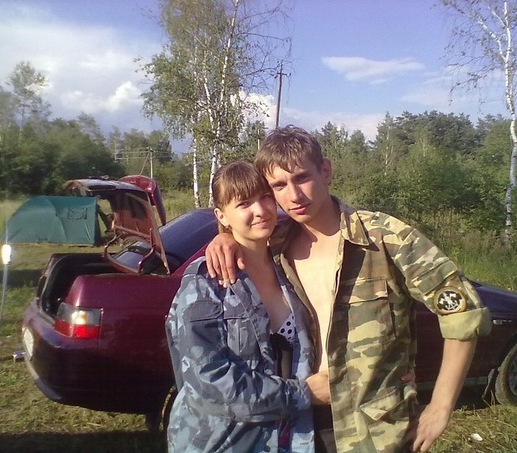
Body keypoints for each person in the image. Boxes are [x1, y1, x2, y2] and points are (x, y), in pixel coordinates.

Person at [205, 126, 492, 453]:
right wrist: (223, 237)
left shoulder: (385, 238)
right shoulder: (276, 245)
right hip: (298, 425)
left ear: (325, 171)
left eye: (302, 178)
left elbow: (464, 313)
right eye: (279, 186)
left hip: (376, 430)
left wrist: (441, 406)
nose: (294, 195)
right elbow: (239, 228)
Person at [165, 160, 316, 453]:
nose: (260, 210)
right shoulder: (206, 282)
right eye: (244, 203)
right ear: (221, 215)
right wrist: (304, 393)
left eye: (265, 197)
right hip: (223, 441)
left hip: (289, 440)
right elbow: (208, 383)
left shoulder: (289, 266)